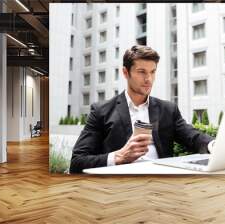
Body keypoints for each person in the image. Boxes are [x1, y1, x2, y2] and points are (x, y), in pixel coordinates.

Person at [69, 45, 214, 173]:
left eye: (152, 72)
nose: (149, 79)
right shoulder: (101, 111)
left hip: (161, 183)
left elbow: (193, 137)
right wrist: (119, 157)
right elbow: (77, 162)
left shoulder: (168, 110)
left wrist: (215, 145)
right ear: (126, 73)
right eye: (142, 72)